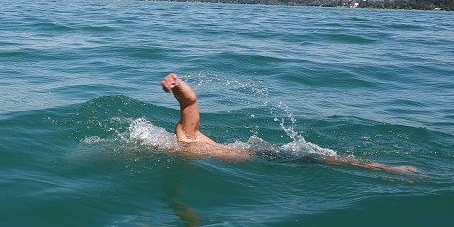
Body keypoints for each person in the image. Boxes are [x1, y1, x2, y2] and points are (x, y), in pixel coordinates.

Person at [161, 73, 418, 174]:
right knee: (318, 158)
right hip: (261, 154)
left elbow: (189, 102)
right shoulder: (191, 142)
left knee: (321, 159)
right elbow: (190, 104)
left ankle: (386, 168)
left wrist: (176, 84)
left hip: (262, 155)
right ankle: (385, 168)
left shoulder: (187, 140)